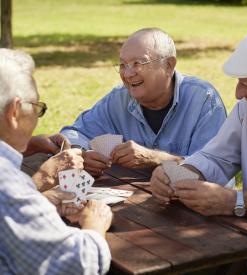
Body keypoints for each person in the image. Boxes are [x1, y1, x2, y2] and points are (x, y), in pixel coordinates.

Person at [0, 48, 112, 274]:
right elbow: (76, 264)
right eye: (36, 108)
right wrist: (95, 223)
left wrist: (41, 198)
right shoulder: (7, 184)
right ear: (14, 112)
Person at [61, 28, 227, 176]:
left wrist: (155, 158)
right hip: (136, 204)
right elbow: (74, 133)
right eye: (122, 65)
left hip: (192, 206)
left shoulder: (204, 100)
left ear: (169, 65)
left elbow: (214, 169)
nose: (127, 74)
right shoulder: (119, 99)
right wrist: (82, 153)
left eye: (137, 63)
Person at [150, 30, 247, 219]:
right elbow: (217, 158)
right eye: (240, 83)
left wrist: (234, 201)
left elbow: (232, 199)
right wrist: (180, 173)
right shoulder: (245, 109)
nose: (239, 94)